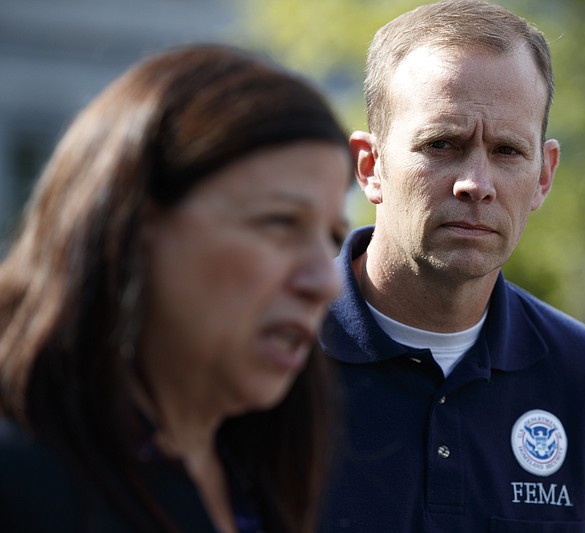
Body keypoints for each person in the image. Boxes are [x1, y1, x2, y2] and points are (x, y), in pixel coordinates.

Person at [317, 0, 585, 531]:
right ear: (371, 166)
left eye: (506, 152)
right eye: (442, 144)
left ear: (544, 176)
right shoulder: (262, 359)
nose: (476, 183)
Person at [0, 44, 353, 533]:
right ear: (133, 223)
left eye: (333, 236)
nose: (326, 281)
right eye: (280, 223)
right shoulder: (21, 482)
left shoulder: (264, 471)